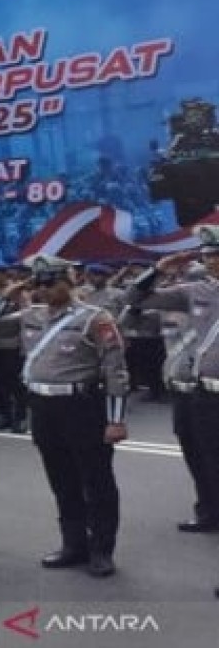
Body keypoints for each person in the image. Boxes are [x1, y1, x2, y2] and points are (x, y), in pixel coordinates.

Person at [0, 254, 130, 577]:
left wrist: (116, 420)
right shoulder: (31, 314)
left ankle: (102, 549)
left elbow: (115, 371)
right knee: (61, 479)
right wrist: (12, 291)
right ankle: (73, 544)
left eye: (52, 282)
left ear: (71, 280)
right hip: (43, 407)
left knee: (96, 480)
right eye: (39, 283)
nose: (45, 290)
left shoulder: (95, 318)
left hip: (81, 406)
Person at [125, 225, 219, 535]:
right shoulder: (195, 291)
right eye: (208, 255)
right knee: (198, 454)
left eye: (217, 254)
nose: (212, 261)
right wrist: (158, 269)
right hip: (200, 392)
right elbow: (136, 298)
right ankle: (208, 511)